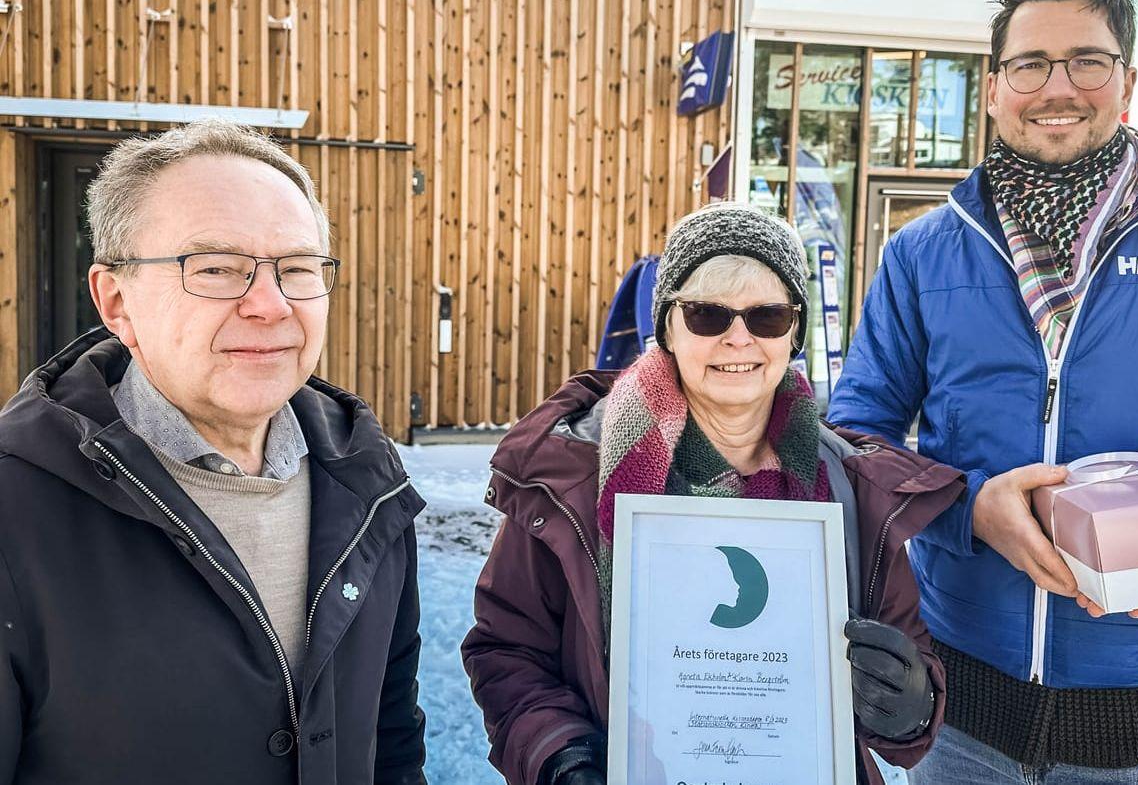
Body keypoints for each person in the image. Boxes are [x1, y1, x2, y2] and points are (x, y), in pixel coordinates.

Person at [829, 0, 1138, 783]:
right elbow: (853, 441)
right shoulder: (920, 253)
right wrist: (969, 510)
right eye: (1029, 63)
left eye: (1087, 60)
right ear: (992, 88)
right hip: (959, 719)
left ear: (1126, 83)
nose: (1058, 85)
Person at [461, 203, 966, 785]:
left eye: (767, 317)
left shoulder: (850, 487)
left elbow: (908, 670)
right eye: (706, 315)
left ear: (794, 331)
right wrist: (561, 754)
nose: (738, 338)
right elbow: (506, 649)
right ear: (668, 328)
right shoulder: (573, 473)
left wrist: (906, 703)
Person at [0, 120, 428, 784]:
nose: (270, 304)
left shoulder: (366, 486)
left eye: (296, 268)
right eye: (216, 269)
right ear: (116, 300)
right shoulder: (15, 509)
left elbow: (391, 742)